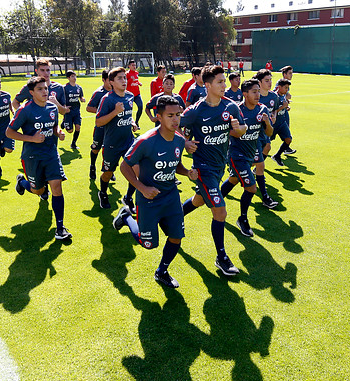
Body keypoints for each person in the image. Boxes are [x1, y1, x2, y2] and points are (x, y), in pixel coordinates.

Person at [113, 96, 198, 288]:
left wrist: (187, 173)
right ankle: (126, 216)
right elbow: (125, 167)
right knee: (148, 244)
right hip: (148, 200)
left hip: (171, 197)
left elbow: (176, 165)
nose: (175, 119)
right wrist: (142, 188)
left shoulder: (179, 140)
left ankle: (162, 271)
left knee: (177, 236)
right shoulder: (145, 141)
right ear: (158, 117)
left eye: (178, 115)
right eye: (170, 115)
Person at [180, 65, 247, 276]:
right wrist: (184, 142)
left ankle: (172, 217)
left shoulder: (231, 107)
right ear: (207, 85)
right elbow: (170, 125)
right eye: (220, 82)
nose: (224, 85)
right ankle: (222, 257)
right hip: (203, 168)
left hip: (220, 167)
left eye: (224, 81)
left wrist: (238, 128)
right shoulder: (196, 111)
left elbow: (242, 129)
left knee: (199, 201)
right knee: (220, 211)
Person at [6, 76, 71, 240]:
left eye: (45, 88)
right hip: (32, 157)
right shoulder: (25, 110)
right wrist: (32, 139)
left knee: (57, 187)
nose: (44, 91)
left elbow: (54, 126)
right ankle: (22, 182)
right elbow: (9, 132)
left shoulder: (52, 107)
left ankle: (60, 227)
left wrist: (59, 132)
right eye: (40, 89)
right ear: (31, 93)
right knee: (38, 190)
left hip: (51, 154)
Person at [220, 79, 272, 237]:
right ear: (245, 94)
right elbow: (227, 131)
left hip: (251, 154)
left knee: (234, 180)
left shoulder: (262, 109)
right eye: (254, 92)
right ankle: (242, 219)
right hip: (237, 155)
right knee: (251, 188)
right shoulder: (236, 111)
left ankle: (215, 199)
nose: (258, 95)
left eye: (258, 91)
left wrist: (267, 122)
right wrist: (238, 129)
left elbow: (269, 133)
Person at [95, 67, 139, 211]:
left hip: (129, 142)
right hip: (112, 144)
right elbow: (98, 122)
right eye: (120, 78)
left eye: (124, 77)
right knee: (108, 173)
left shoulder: (130, 96)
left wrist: (132, 122)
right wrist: (115, 111)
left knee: (136, 172)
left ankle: (128, 197)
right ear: (111, 82)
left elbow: (128, 114)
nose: (124, 81)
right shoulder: (107, 99)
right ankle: (103, 193)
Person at [253, 68, 282, 208]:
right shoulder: (254, 96)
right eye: (266, 80)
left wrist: (274, 115)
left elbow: (275, 109)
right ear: (259, 82)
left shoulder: (273, 96)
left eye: (271, 80)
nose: (270, 83)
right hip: (254, 134)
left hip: (266, 132)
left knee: (268, 147)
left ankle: (246, 167)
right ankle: (265, 197)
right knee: (261, 165)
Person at [86, 69, 112, 180]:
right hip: (100, 127)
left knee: (109, 149)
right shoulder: (99, 93)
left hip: (112, 128)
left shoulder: (117, 92)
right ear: (103, 80)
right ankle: (92, 166)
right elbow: (88, 108)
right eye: (109, 80)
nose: (111, 82)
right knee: (96, 148)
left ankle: (108, 170)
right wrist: (103, 111)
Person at [270, 78, 293, 167]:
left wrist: (286, 108)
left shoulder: (283, 95)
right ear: (279, 87)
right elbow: (272, 111)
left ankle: (277, 155)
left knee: (288, 139)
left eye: (288, 88)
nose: (287, 90)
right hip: (274, 124)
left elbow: (283, 106)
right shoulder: (274, 97)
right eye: (285, 88)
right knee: (266, 145)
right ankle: (257, 165)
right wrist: (283, 106)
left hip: (282, 123)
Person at [62, 70, 85, 150]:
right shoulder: (64, 88)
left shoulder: (79, 87)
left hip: (76, 111)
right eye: (72, 76)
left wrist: (82, 99)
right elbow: (61, 99)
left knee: (78, 127)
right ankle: (64, 120)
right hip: (68, 111)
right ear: (68, 78)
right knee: (70, 131)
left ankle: (73, 144)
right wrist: (64, 107)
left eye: (75, 76)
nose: (74, 78)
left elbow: (81, 96)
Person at [276, 65, 296, 155]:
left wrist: (286, 102)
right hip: (278, 112)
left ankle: (286, 148)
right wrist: (283, 103)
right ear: (284, 74)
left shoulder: (286, 84)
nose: (291, 75)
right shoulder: (280, 84)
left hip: (283, 109)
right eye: (290, 73)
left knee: (286, 129)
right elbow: (275, 95)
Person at [126, 60, 144, 127]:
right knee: (128, 110)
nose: (134, 66)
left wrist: (139, 83)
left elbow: (136, 80)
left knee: (140, 107)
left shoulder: (136, 73)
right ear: (129, 66)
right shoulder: (127, 74)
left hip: (137, 94)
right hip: (129, 95)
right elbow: (125, 82)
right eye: (133, 65)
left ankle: (136, 122)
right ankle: (129, 123)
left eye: (135, 65)